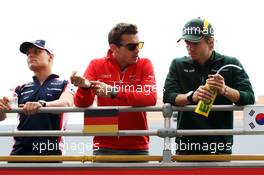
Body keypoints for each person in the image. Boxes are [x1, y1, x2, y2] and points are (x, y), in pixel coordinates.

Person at [163, 18, 255, 155]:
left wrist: (224, 90)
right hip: (187, 144)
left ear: (211, 43)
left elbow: (249, 98)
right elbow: (168, 96)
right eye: (187, 42)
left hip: (219, 145)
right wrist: (191, 96)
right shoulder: (178, 64)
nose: (190, 47)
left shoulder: (230, 63)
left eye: (195, 43)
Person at [70, 23, 157, 155]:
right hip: (103, 144)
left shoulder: (145, 63)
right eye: (132, 47)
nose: (137, 50)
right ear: (114, 48)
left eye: (139, 45)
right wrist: (85, 88)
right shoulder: (96, 64)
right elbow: (81, 103)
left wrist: (113, 92)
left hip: (137, 144)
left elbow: (150, 97)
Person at [0, 39, 74, 156]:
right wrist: (2, 106)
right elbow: (3, 116)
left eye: (36, 51)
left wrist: (42, 105)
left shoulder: (65, 84)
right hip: (19, 155)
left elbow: (66, 103)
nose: (30, 55)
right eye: (28, 53)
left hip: (51, 154)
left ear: (50, 57)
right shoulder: (20, 88)